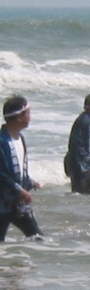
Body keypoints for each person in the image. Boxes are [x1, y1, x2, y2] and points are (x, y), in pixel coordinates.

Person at [0, 96, 42, 241]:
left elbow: (19, 170)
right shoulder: (1, 140)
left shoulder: (20, 138)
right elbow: (1, 174)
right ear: (18, 117)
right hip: (3, 203)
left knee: (37, 237)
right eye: (28, 113)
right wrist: (19, 189)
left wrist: (29, 182)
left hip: (18, 204)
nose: (30, 117)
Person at [64, 93, 90, 195]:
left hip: (86, 166)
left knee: (89, 198)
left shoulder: (89, 119)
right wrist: (82, 168)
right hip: (82, 168)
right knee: (82, 196)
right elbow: (75, 146)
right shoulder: (85, 121)